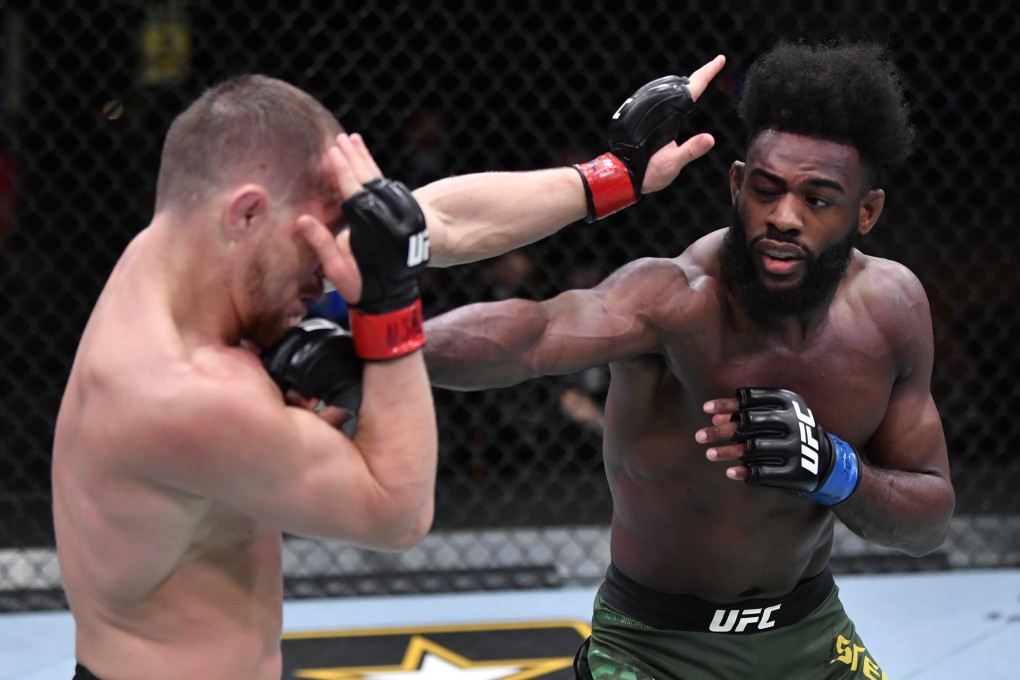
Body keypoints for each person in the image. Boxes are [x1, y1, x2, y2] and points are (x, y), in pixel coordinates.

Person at [52, 57, 726, 680]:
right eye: (314, 250)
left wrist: (611, 176)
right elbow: (395, 513)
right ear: (248, 213)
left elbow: (438, 217)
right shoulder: (178, 392)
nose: (322, 275)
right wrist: (388, 307)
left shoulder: (191, 245)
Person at [424, 40, 955, 679]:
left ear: (866, 212)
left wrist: (838, 470)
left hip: (811, 633)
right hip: (652, 647)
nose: (783, 217)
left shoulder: (892, 309)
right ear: (736, 183)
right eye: (766, 190)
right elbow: (533, 334)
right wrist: (379, 348)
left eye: (817, 199)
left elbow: (929, 520)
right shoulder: (673, 300)